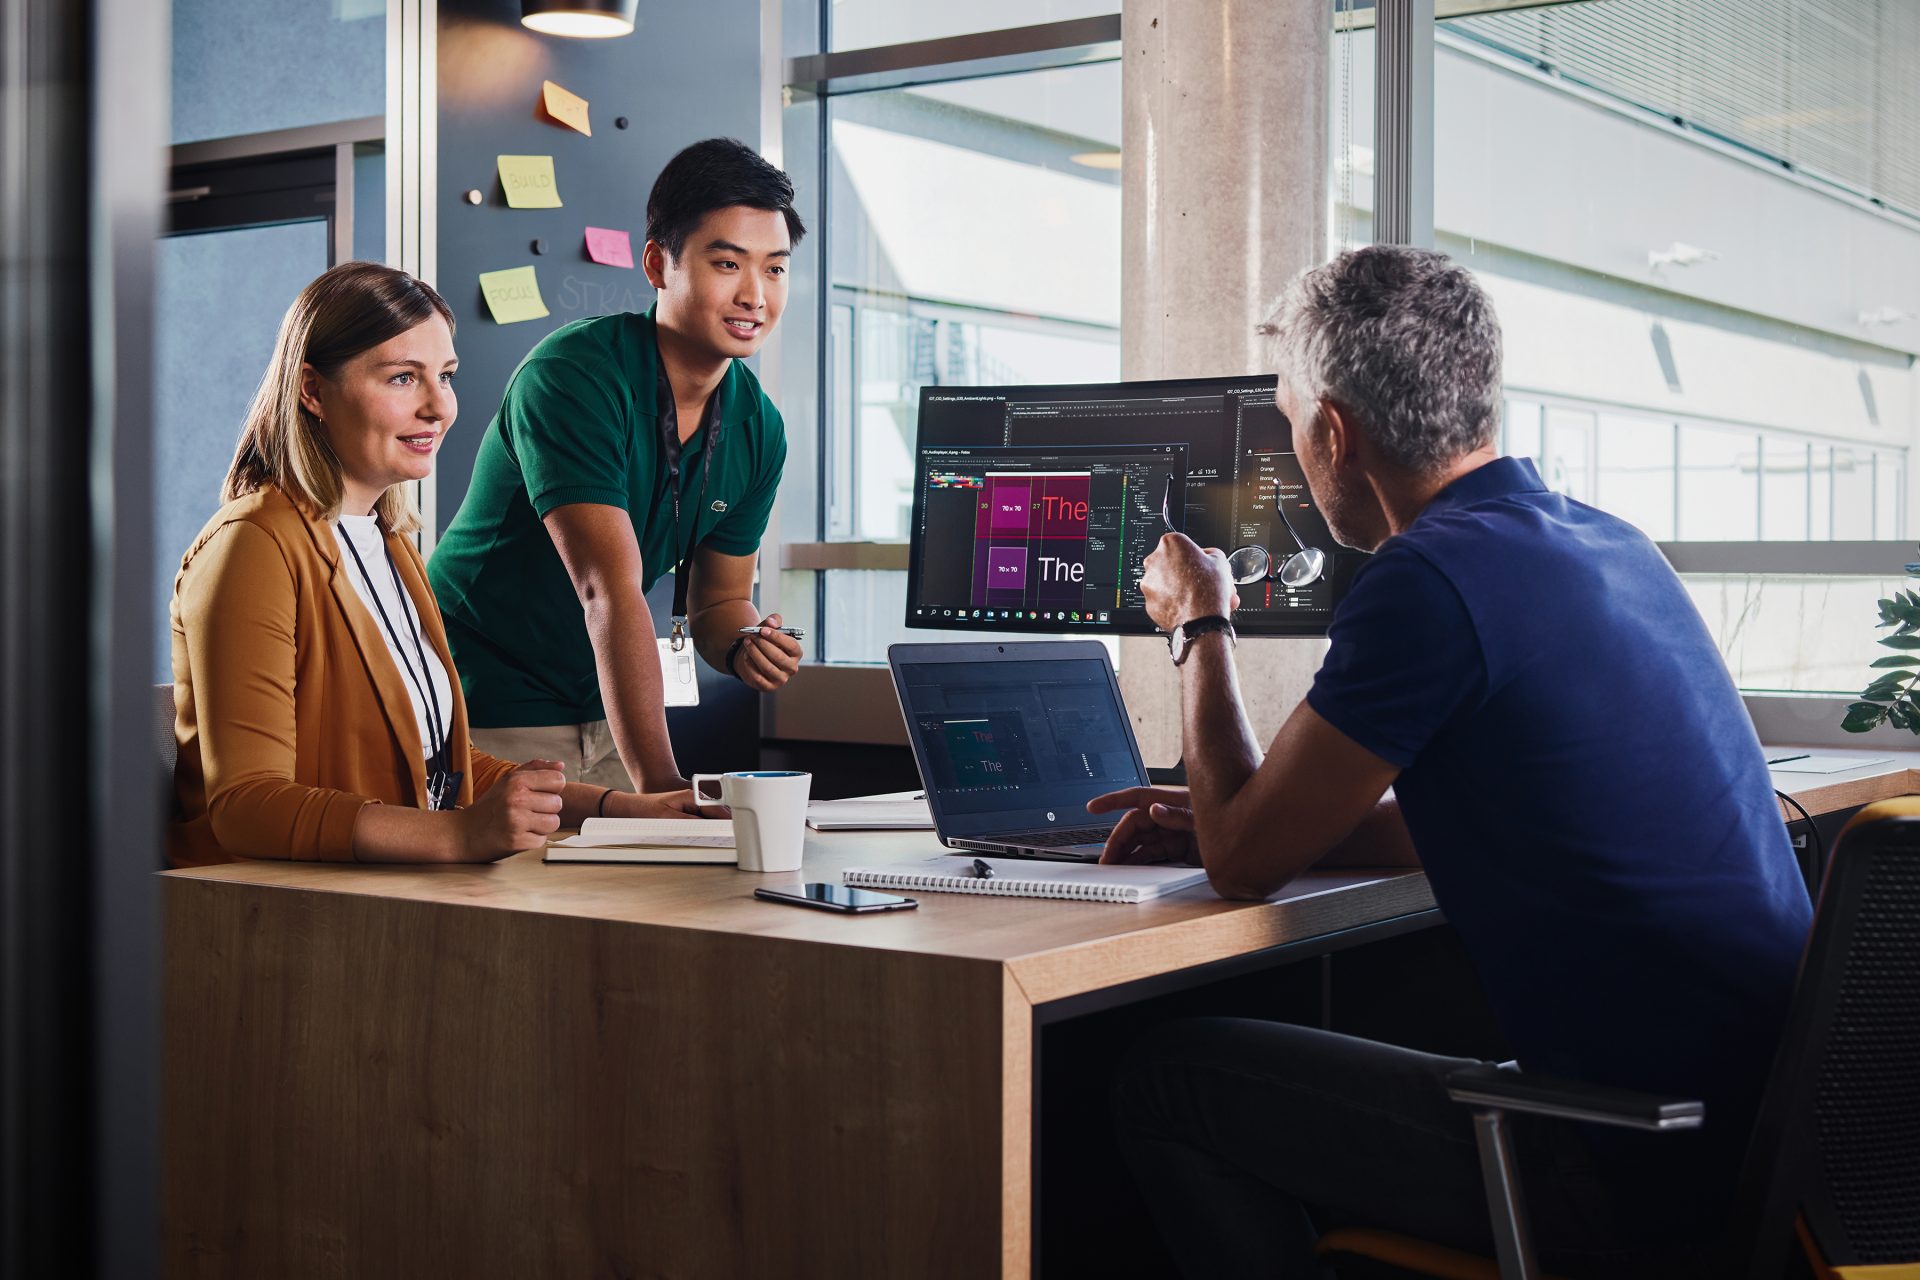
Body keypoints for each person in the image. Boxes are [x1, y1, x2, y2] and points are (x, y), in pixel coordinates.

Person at [1092, 246, 1812, 1277]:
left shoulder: (1426, 577)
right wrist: (1251, 811)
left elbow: (1243, 860)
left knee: (1169, 1079)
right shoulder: (1612, 544)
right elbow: (1518, 815)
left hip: (1632, 1161)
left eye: (1295, 422)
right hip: (1763, 1138)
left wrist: (1201, 621)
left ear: (1334, 433)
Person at [169, 262, 705, 869]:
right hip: (272, 912)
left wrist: (622, 807)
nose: (438, 407)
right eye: (402, 378)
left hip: (381, 893)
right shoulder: (253, 545)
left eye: (444, 376)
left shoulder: (389, 543)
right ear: (313, 391)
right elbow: (247, 805)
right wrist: (459, 836)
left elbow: (439, 766)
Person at [429, 138, 805, 794]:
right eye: (727, 263)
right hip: (481, 700)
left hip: (608, 708)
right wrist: (662, 788)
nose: (756, 295)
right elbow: (608, 588)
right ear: (659, 265)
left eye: (775, 269)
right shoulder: (574, 376)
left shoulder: (758, 428)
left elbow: (716, 601)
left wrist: (745, 641)